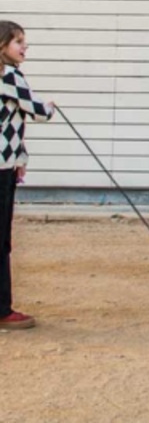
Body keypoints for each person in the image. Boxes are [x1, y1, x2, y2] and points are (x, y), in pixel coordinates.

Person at [0, 20, 54, 330]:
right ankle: (2, 309)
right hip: (1, 169)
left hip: (7, 164)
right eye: (18, 41)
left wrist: (21, 157)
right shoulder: (10, 76)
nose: (24, 47)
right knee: (1, 241)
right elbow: (37, 111)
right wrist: (50, 106)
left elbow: (10, 123)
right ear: (3, 44)